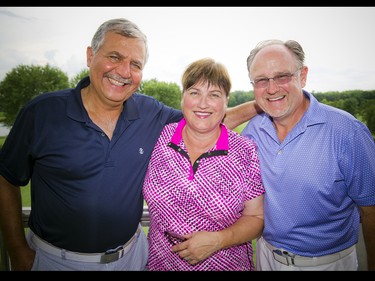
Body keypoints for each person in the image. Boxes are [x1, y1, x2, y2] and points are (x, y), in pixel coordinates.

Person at [0, 19, 259, 271]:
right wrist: (16, 249)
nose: (124, 71)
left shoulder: (150, 113)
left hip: (131, 258)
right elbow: (6, 178)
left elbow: (205, 117)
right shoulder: (43, 113)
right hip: (56, 261)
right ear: (91, 56)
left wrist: (264, 102)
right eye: (114, 57)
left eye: (135, 64)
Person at [241, 39, 375, 271]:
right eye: (262, 80)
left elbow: (371, 210)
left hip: (328, 263)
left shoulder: (347, 132)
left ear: (302, 76)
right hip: (265, 256)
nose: (272, 89)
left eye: (282, 76)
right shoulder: (253, 131)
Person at [142, 58, 265, 271]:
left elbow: (256, 218)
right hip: (161, 264)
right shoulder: (159, 139)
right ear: (183, 97)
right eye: (194, 92)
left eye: (214, 95)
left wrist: (218, 240)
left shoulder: (245, 151)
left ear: (226, 101)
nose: (203, 103)